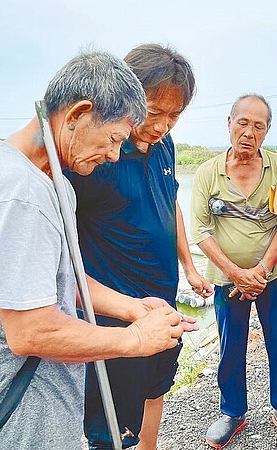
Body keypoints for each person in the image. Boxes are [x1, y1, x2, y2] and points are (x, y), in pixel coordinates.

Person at [0, 51, 197, 450]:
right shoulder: (18, 194)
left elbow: (60, 279)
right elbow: (31, 330)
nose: (114, 155)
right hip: (12, 417)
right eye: (113, 139)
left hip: (36, 408)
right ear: (78, 113)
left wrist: (131, 308)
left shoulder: (48, 180)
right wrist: (132, 341)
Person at [66, 44, 212, 450]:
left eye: (174, 115)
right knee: (111, 427)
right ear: (127, 97)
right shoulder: (100, 154)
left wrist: (189, 266)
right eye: (153, 109)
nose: (163, 125)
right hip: (115, 313)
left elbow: (170, 205)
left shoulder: (165, 147)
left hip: (162, 302)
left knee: (155, 389)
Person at [191, 94, 277, 449]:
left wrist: (260, 270)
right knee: (231, 346)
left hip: (272, 276)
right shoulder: (208, 171)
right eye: (243, 122)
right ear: (229, 123)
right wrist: (236, 273)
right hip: (228, 280)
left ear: (267, 131)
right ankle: (232, 412)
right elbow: (200, 230)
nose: (249, 132)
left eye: (259, 125)